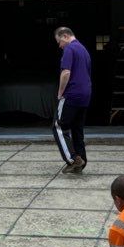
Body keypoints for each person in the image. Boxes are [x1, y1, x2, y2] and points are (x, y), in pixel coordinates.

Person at [52, 24, 91, 175]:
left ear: (65, 36)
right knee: (77, 129)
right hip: (85, 94)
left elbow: (66, 72)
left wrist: (60, 93)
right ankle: (81, 162)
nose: (60, 46)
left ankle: (73, 159)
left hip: (72, 94)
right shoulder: (83, 49)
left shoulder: (70, 49)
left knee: (58, 126)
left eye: (59, 42)